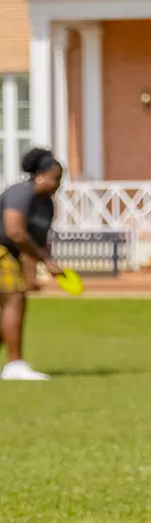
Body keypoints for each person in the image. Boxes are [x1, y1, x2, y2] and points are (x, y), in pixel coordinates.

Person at [0, 149, 65, 382]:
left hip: (11, 254)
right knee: (14, 299)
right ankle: (14, 365)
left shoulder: (46, 205)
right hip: (2, 249)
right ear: (39, 175)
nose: (58, 184)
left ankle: (14, 363)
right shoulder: (20, 193)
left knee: (13, 304)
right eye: (55, 177)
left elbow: (38, 240)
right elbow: (15, 231)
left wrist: (50, 262)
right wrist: (44, 259)